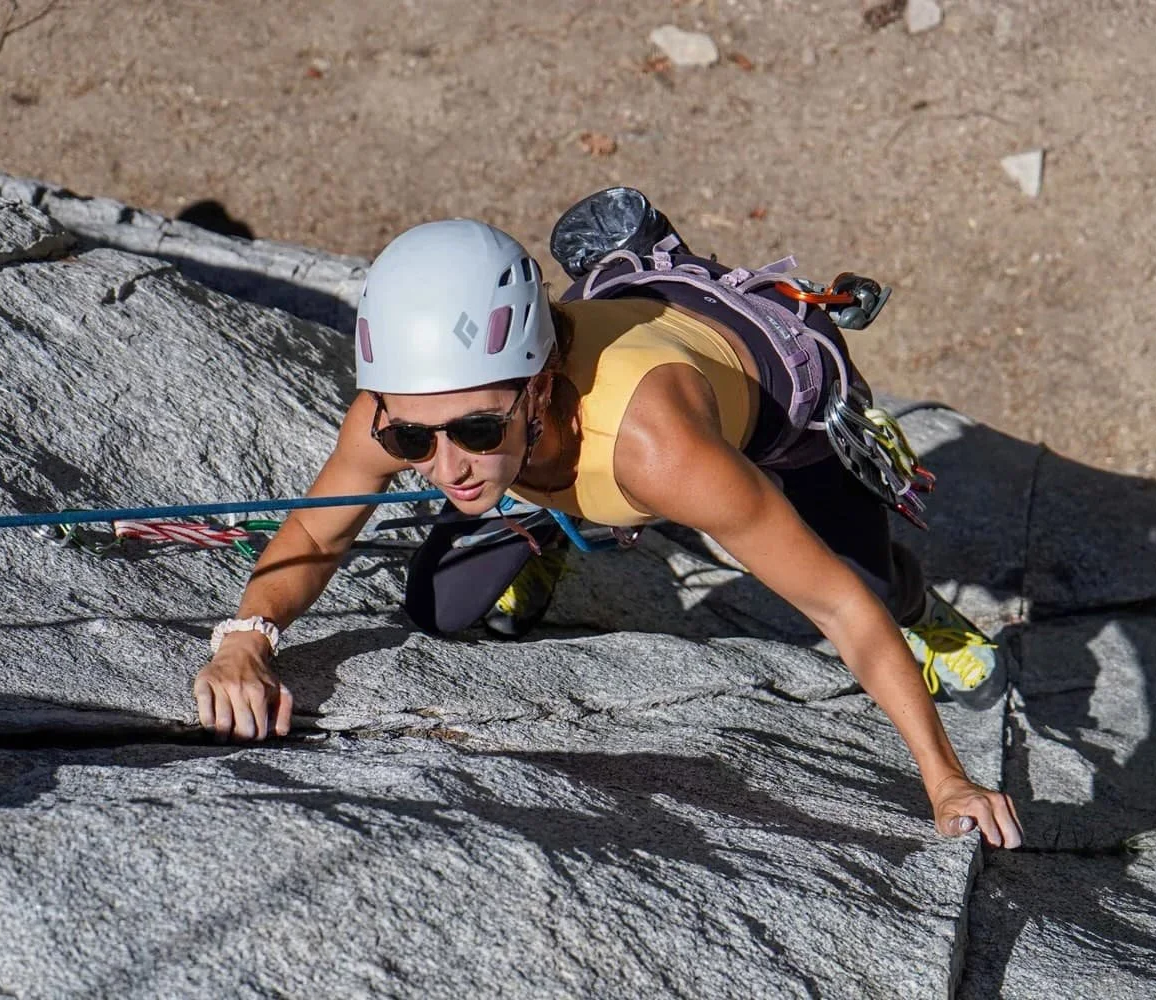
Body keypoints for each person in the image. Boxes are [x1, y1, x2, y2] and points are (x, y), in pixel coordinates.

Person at [193, 210, 1023, 849]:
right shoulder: (396, 407)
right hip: (562, 452)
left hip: (775, 412)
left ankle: (916, 601)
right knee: (441, 605)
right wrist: (246, 640)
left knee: (868, 587)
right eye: (414, 440)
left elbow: (839, 611)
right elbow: (321, 533)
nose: (444, 468)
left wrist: (945, 781)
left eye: (476, 431)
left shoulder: (662, 452)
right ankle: (549, 521)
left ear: (542, 388)